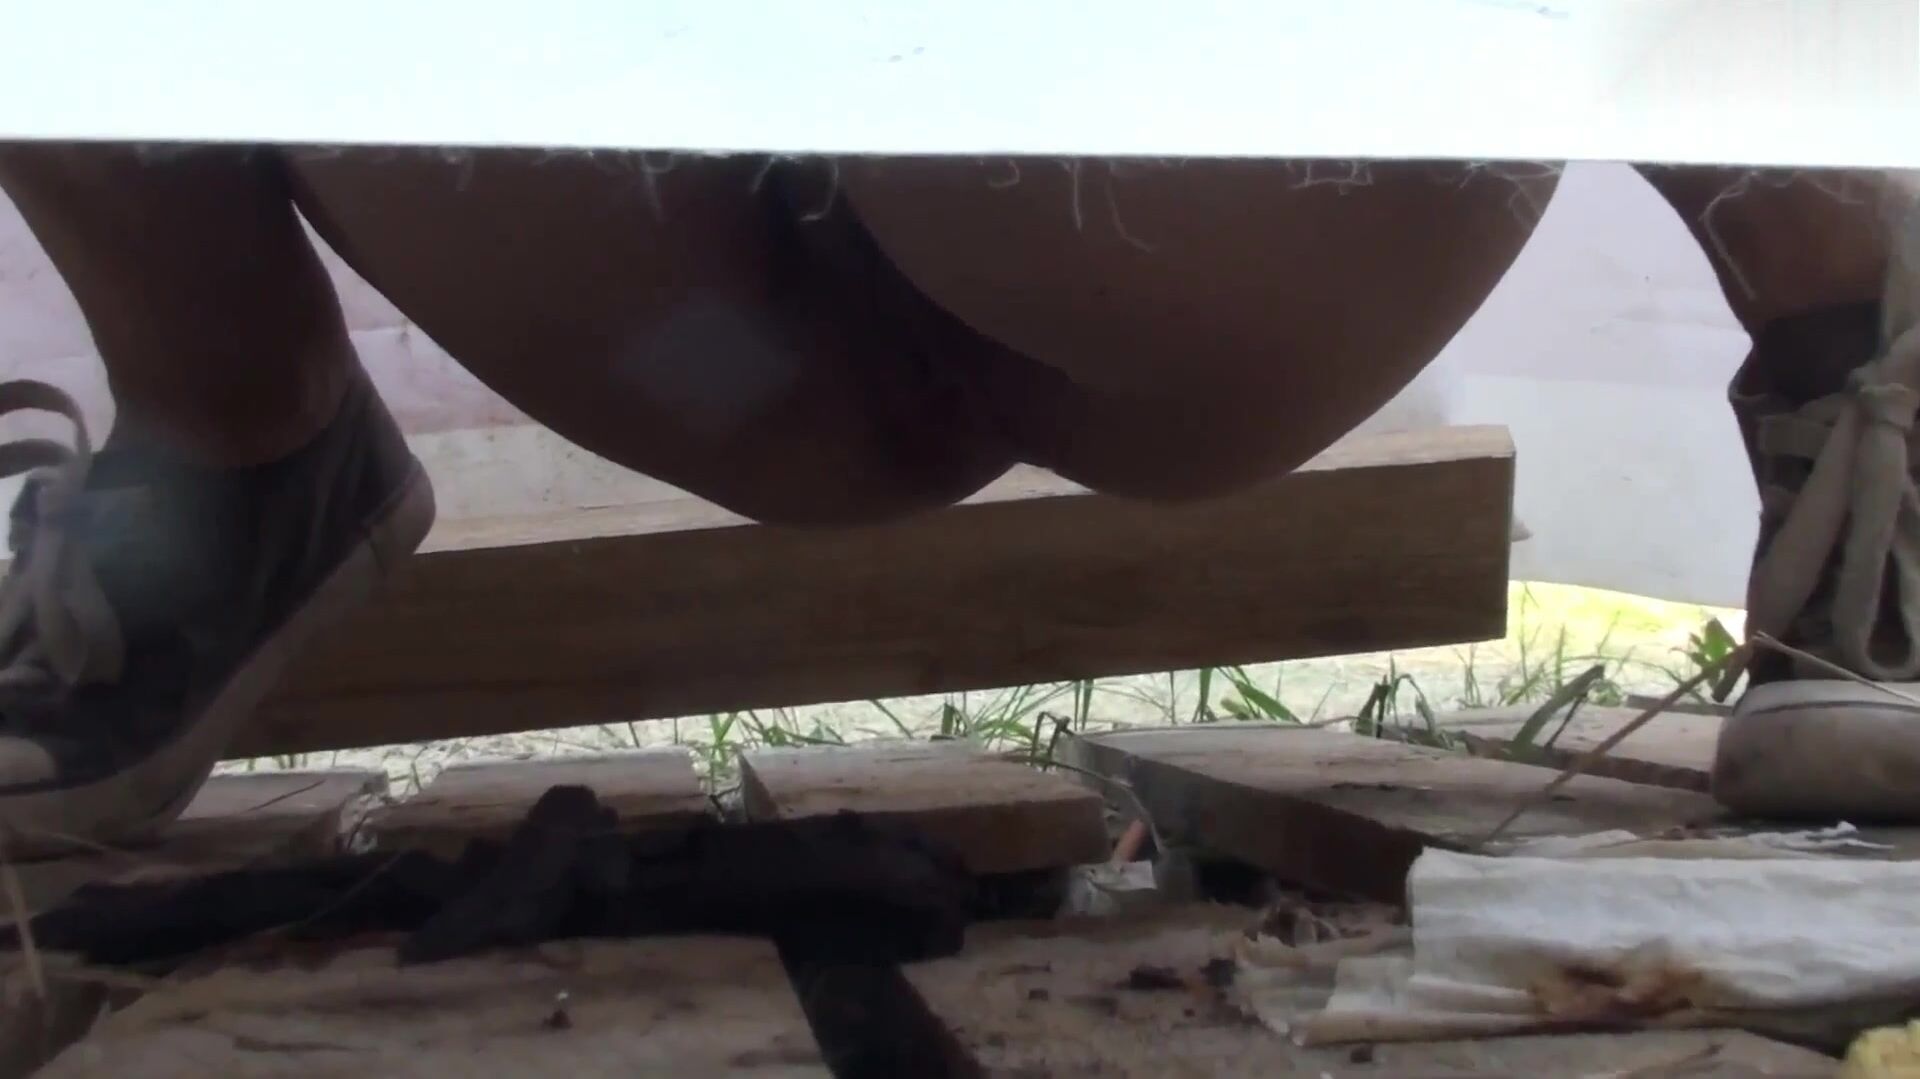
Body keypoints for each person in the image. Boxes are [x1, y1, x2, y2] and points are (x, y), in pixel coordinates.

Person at [0, 144, 1910, 855]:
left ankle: (1855, 316)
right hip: (724, 320)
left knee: (1078, 220)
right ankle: (241, 440)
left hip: (1158, 194)